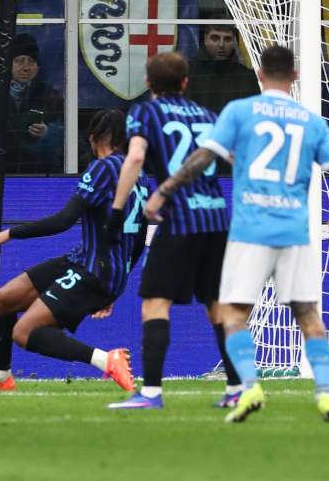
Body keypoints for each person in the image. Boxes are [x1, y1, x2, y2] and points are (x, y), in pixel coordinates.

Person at [146, 44, 329, 422]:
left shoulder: (240, 111)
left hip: (250, 230)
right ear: (295, 77)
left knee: (233, 313)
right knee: (309, 315)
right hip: (294, 230)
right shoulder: (311, 121)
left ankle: (251, 388)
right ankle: (326, 395)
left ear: (259, 75)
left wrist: (164, 190)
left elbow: (204, 157)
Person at [0, 110, 150, 393]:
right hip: (87, 262)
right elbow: (142, 233)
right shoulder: (140, 175)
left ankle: (107, 359)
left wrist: (9, 233)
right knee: (2, 300)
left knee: (24, 333)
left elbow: (64, 220)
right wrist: (117, 285)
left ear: (94, 138)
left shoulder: (103, 168)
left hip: (93, 270)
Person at [106, 51, 241, 411]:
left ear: (148, 83)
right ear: (185, 83)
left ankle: (150, 393)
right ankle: (237, 388)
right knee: (217, 307)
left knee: (155, 302)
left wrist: (118, 210)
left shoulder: (145, 112)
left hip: (179, 219)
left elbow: (135, 158)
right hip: (215, 219)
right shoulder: (208, 116)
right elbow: (233, 156)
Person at [0, 32, 65, 174]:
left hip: (32, 173)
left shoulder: (47, 93)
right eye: (19, 61)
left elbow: (64, 135)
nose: (26, 67)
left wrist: (47, 134)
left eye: (31, 61)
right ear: (7, 65)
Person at [186, 23, 262, 114]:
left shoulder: (247, 76)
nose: (221, 44)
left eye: (227, 39)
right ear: (205, 39)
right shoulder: (187, 72)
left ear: (234, 41)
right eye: (215, 38)